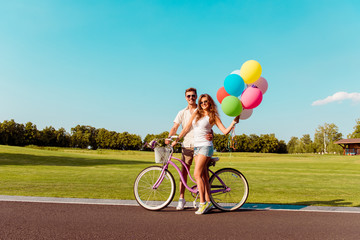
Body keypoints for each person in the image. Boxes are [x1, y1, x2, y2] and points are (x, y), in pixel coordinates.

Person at [172, 93, 239, 215]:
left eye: (206, 102)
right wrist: (176, 139)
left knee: (196, 174)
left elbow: (224, 131)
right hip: (197, 147)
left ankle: (202, 204)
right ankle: (208, 203)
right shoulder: (197, 113)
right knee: (203, 176)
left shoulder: (213, 116)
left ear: (210, 103)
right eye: (201, 102)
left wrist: (233, 122)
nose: (203, 104)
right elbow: (186, 128)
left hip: (206, 147)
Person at [165, 88, 212, 211]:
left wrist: (213, 135)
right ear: (185, 97)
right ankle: (181, 199)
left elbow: (209, 126)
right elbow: (176, 127)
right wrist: (170, 138)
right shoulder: (182, 112)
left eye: (193, 96)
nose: (191, 98)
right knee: (183, 173)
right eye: (188, 96)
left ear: (196, 97)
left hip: (200, 145)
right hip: (186, 145)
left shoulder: (202, 109)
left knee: (202, 174)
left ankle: (206, 201)